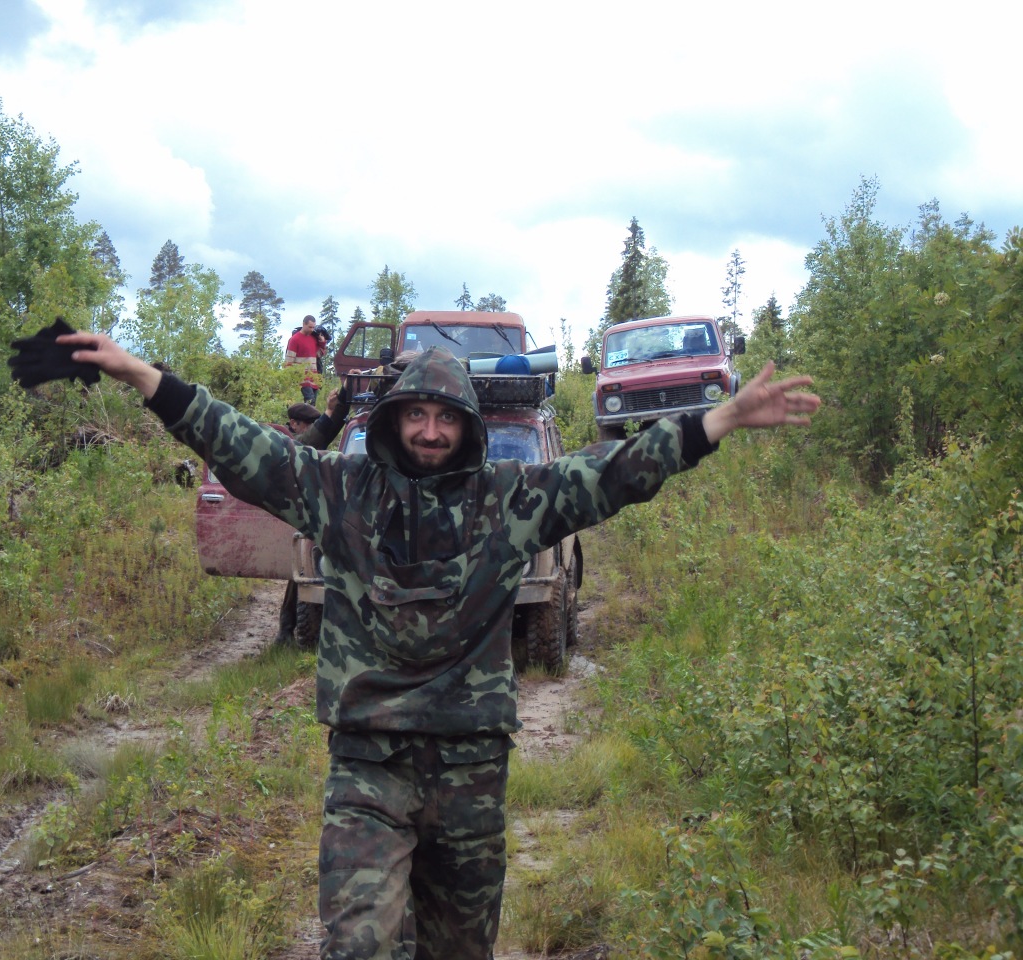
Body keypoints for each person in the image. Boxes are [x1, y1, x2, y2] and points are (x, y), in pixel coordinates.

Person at [53, 330, 819, 960]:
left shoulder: (509, 501)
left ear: (468, 427)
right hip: (368, 766)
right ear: (392, 420)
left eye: (445, 417)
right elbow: (241, 444)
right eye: (415, 414)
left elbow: (614, 473)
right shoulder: (340, 491)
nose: (429, 430)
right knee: (358, 943)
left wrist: (718, 420)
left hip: (469, 770)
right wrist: (140, 374)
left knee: (459, 949)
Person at [276, 390, 351, 646]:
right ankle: (286, 630)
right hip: (300, 514)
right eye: (307, 423)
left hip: (309, 514)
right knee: (303, 570)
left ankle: (286, 630)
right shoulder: (294, 444)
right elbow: (314, 439)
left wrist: (337, 408)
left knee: (301, 571)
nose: (310, 427)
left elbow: (321, 436)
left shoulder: (307, 445)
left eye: (311, 423)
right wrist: (330, 411)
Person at [285, 314, 322, 404]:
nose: (312, 330)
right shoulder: (294, 339)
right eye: (310, 327)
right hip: (302, 377)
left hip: (313, 376)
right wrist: (288, 378)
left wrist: (322, 342)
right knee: (310, 401)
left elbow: (319, 354)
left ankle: (306, 414)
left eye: (313, 327)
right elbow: (289, 360)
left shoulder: (313, 339)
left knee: (312, 404)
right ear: (303, 324)